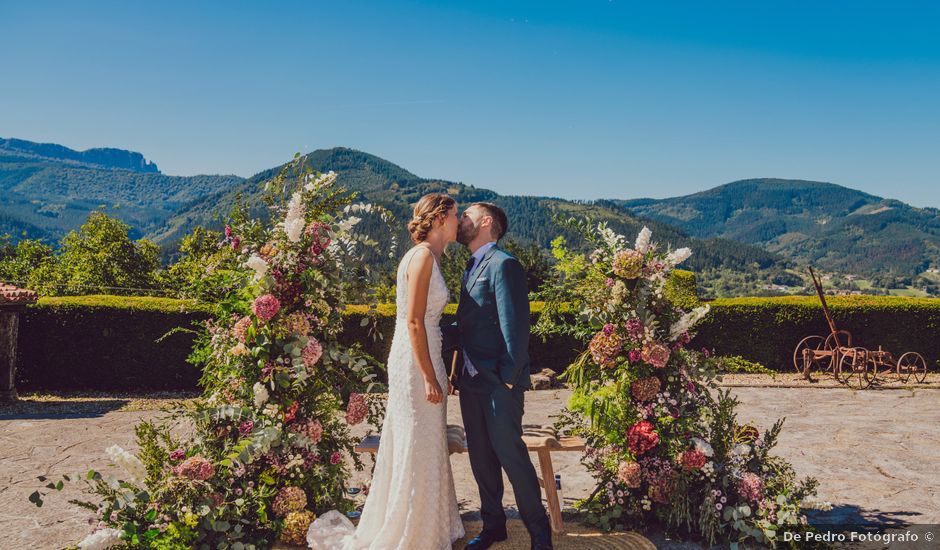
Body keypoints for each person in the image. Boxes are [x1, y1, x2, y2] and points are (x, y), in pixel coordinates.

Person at [308, 193, 464, 550]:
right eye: (455, 215)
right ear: (440, 219)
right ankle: (412, 532)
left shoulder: (428, 256)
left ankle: (428, 523)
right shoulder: (423, 256)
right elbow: (412, 321)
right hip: (415, 359)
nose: (459, 222)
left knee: (424, 441)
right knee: (417, 442)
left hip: (425, 353)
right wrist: (427, 375)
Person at [451, 202, 553, 550]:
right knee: (480, 458)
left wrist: (508, 378)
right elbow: (470, 325)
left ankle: (540, 531)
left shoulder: (504, 264)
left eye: (465, 216)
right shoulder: (472, 266)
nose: (459, 221)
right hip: (469, 381)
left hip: (498, 383)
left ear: (486, 222)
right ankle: (494, 527)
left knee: (511, 455)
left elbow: (516, 325)